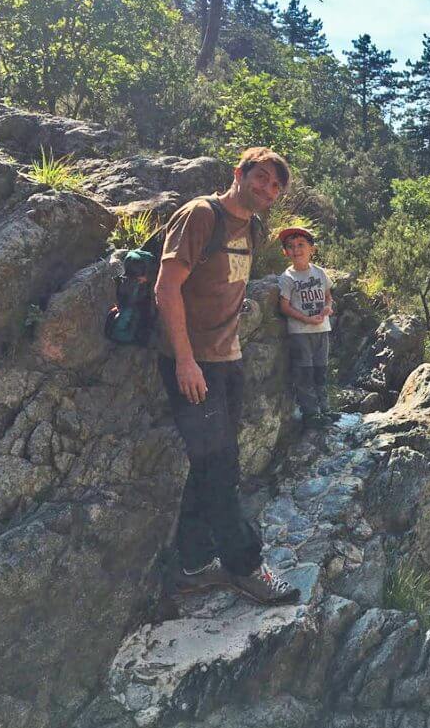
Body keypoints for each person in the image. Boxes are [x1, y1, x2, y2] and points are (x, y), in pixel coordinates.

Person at [154, 147, 300, 605]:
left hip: (227, 359)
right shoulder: (201, 216)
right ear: (239, 173)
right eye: (261, 177)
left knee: (210, 466)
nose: (268, 189)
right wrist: (185, 361)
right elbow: (166, 287)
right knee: (221, 469)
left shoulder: (252, 228)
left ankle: (194, 565)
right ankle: (245, 566)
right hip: (193, 364)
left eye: (275, 186)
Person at [277, 227, 334, 427]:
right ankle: (310, 414)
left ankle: (325, 409)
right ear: (285, 252)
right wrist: (305, 319)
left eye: (301, 245)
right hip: (300, 333)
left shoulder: (319, 272)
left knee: (321, 371)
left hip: (322, 330)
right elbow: (284, 307)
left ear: (312, 249)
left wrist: (327, 307)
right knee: (305, 373)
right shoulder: (287, 277)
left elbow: (328, 296)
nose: (296, 250)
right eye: (291, 247)